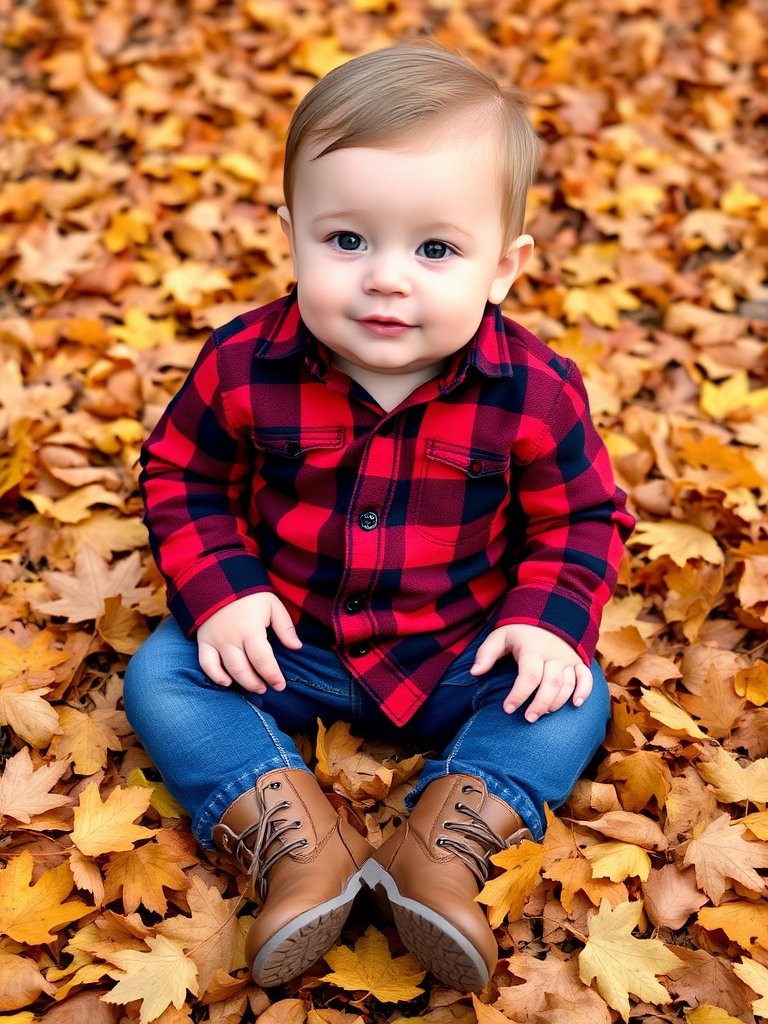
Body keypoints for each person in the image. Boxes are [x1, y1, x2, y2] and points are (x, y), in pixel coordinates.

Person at [124, 43, 634, 993]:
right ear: (293, 235)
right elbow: (181, 475)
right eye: (347, 240)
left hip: (457, 650)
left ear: (504, 266)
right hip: (288, 637)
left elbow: (584, 518)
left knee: (572, 695)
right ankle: (291, 840)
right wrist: (224, 594)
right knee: (163, 673)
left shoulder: (535, 391)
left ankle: (444, 845)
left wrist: (542, 621)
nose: (387, 278)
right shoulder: (244, 364)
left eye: (435, 248)